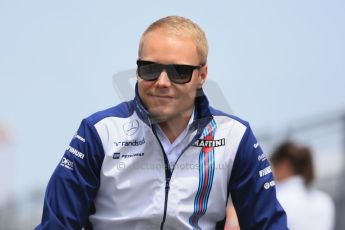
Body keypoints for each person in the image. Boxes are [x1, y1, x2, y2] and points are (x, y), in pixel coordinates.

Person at [36, 16, 287, 229]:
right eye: (150, 69)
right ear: (137, 70)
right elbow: (57, 224)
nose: (162, 82)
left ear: (202, 76)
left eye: (179, 72)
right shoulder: (99, 132)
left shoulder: (235, 136)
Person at [271, 141, 335, 230]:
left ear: (284, 165)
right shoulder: (325, 201)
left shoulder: (275, 199)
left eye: (273, 167)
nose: (272, 174)